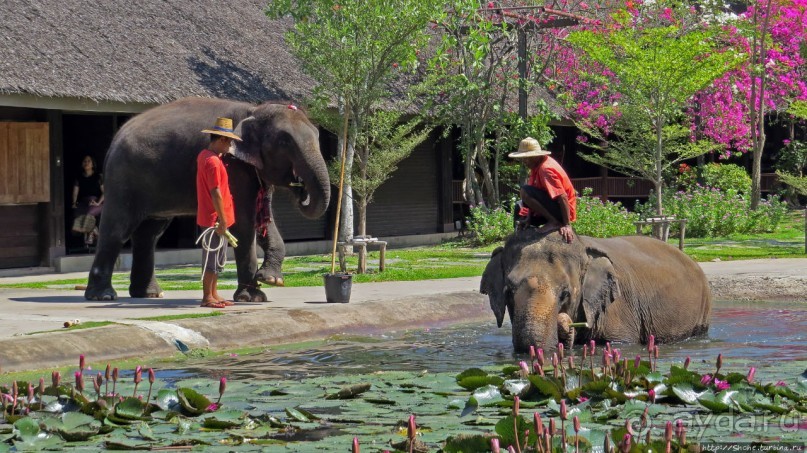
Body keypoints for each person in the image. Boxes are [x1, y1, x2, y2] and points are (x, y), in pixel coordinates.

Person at [197, 117, 241, 308]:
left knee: (217, 259)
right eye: (229, 141)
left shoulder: (206, 156)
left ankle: (214, 293)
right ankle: (207, 296)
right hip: (214, 220)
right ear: (222, 139)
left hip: (215, 218)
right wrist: (222, 220)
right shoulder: (213, 162)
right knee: (212, 259)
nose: (230, 145)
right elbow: (215, 192)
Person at [509, 137, 577, 244]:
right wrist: (529, 218)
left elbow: (562, 197)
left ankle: (553, 222)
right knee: (519, 206)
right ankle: (519, 241)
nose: (524, 161)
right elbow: (533, 198)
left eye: (527, 158)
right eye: (523, 158)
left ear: (536, 156)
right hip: (551, 207)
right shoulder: (536, 167)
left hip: (562, 211)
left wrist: (566, 224)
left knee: (525, 191)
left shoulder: (545, 169)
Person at [71, 155, 104, 245]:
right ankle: (94, 231)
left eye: (88, 161)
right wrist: (74, 203)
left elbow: (105, 192)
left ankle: (91, 233)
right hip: (84, 202)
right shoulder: (79, 177)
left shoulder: (98, 176)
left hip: (97, 203)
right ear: (82, 164)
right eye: (84, 161)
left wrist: (97, 203)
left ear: (92, 164)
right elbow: (75, 192)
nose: (86, 163)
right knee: (77, 214)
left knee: (89, 212)